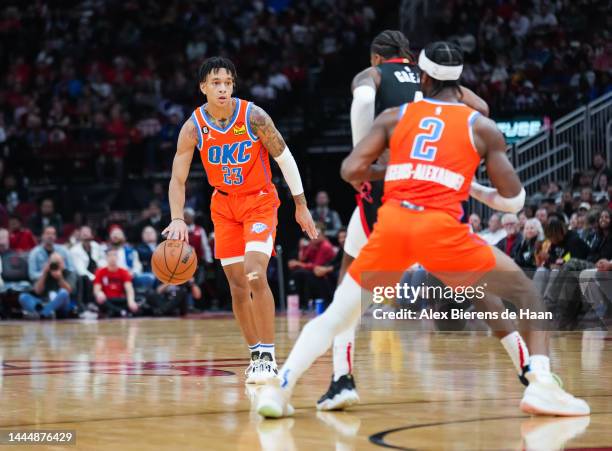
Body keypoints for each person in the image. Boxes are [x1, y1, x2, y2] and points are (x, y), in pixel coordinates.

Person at [257, 41, 589, 418]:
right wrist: (470, 185)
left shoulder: (396, 116)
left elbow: (350, 171)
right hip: (442, 229)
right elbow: (513, 201)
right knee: (527, 294)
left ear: (423, 77)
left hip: (393, 222)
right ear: (459, 83)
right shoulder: (482, 127)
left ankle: (280, 388)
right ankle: (540, 382)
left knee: (337, 313)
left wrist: (398, 168)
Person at [318, 30, 490, 411]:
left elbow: (362, 100)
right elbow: (483, 108)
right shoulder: (436, 80)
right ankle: (533, 369)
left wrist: (364, 156)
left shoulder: (374, 76)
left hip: (389, 188)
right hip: (432, 189)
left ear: (377, 57)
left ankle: (341, 378)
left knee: (348, 286)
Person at [162, 57, 316, 385]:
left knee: (255, 273)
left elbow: (284, 157)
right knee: (236, 285)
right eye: (216, 82)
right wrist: (177, 218)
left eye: (228, 83)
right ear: (203, 87)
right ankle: (256, 354)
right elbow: (177, 179)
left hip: (259, 201)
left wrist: (300, 205)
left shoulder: (254, 117)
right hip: (223, 207)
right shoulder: (193, 127)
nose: (223, 88)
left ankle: (270, 356)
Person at [19, 252, 77, 319]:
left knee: (63, 292)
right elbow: (38, 291)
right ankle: (47, 312)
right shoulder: (45, 273)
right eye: (53, 263)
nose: (55, 266)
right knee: (23, 297)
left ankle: (43, 313)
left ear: (63, 263)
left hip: (62, 305)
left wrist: (60, 278)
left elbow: (69, 291)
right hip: (44, 302)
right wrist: (44, 274)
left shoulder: (69, 273)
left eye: (58, 263)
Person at [93, 248, 138, 317]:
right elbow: (96, 289)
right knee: (100, 300)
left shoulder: (124, 272)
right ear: (106, 258)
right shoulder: (100, 272)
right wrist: (99, 293)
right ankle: (121, 311)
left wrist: (131, 301)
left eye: (114, 255)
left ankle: (117, 311)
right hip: (107, 299)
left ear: (117, 257)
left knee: (137, 299)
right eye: (110, 255)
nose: (112, 258)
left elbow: (129, 289)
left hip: (119, 299)